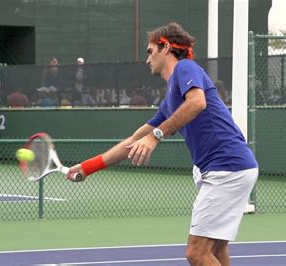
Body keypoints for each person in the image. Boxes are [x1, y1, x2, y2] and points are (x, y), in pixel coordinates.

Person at [67, 22, 258, 266]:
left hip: (226, 168)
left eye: (150, 51)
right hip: (232, 168)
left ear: (165, 47)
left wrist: (156, 135)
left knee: (196, 253)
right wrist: (88, 167)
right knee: (216, 251)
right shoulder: (170, 100)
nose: (147, 59)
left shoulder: (185, 68)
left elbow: (198, 102)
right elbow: (133, 140)